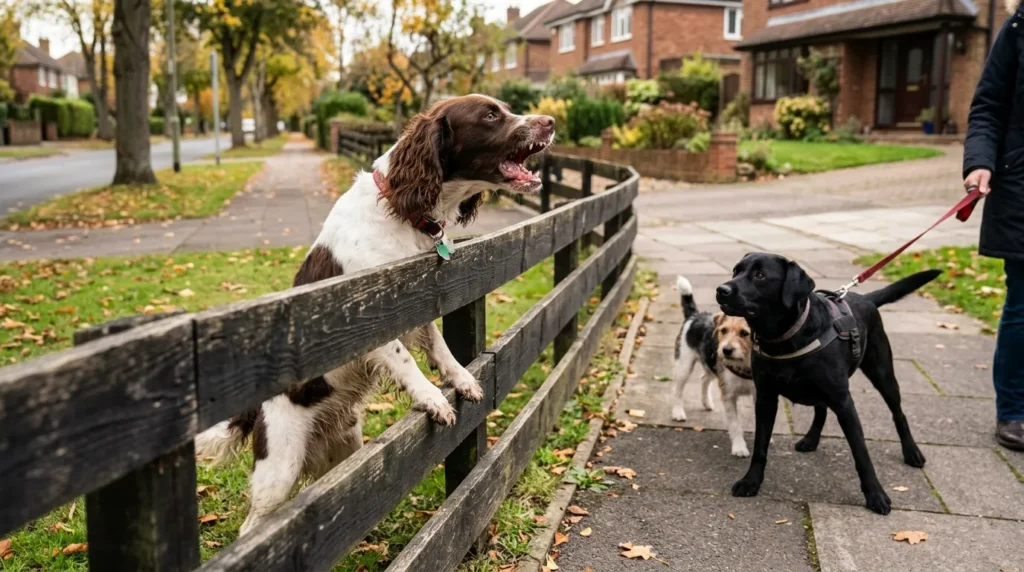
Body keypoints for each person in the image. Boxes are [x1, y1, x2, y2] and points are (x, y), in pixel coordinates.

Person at [963, 0, 1024, 451]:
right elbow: (988, 105)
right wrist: (981, 162)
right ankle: (1015, 412)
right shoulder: (1019, 27)